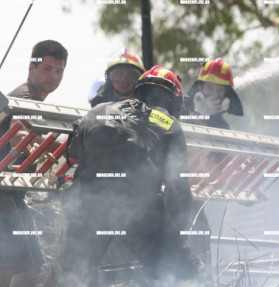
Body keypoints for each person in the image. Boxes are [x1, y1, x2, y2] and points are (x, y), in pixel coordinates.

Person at [61, 66, 213, 286]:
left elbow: (73, 153)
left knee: (77, 276)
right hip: (139, 208)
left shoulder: (98, 110)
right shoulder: (170, 124)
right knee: (188, 273)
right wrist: (176, 233)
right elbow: (177, 189)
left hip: (88, 205)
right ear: (174, 101)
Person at [0, 40, 68, 287]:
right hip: (6, 194)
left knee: (6, 264)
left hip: (9, 193)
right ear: (32, 67)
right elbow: (21, 134)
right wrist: (68, 149)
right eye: (48, 68)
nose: (54, 76)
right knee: (30, 264)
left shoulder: (27, 98)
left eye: (59, 71)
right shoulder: (25, 97)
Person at [181, 58, 244, 267]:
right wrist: (198, 116)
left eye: (220, 91)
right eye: (209, 88)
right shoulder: (179, 109)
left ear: (227, 96)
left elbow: (225, 166)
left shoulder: (223, 128)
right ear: (199, 87)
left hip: (201, 201)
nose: (214, 95)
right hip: (171, 194)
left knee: (201, 254)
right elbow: (174, 136)